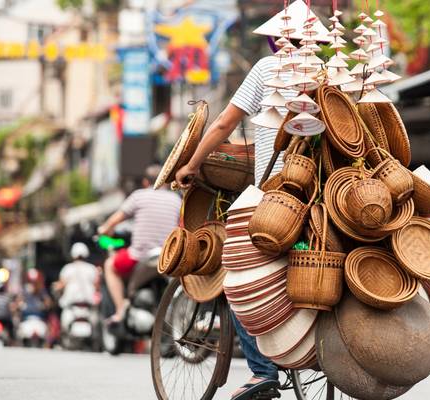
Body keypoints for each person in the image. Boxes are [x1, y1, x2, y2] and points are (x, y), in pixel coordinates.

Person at [172, 6, 316, 398]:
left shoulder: (268, 69)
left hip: (274, 199)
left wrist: (192, 163)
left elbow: (224, 124)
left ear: (275, 39)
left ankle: (262, 370)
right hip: (323, 196)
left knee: (235, 276)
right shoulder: (332, 72)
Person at [98, 165, 181, 323]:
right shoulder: (176, 199)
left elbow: (115, 219)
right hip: (168, 257)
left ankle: (121, 308)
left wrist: (104, 230)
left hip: (141, 257)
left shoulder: (139, 196)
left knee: (110, 265)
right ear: (166, 181)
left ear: (145, 182)